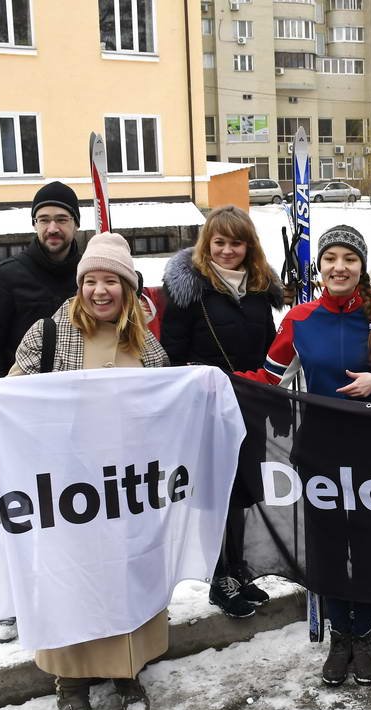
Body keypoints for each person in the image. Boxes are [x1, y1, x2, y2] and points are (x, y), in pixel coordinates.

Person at [9, 232, 171, 710]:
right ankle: (72, 683)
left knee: (124, 573)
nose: (101, 291)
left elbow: (167, 403)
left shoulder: (145, 343)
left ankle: (126, 672)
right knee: (70, 578)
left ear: (127, 287)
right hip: (67, 487)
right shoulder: (49, 333)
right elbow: (12, 395)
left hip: (126, 487)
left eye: (112, 281)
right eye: (92, 280)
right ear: (80, 285)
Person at [238, 225, 371, 687]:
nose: (339, 267)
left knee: (368, 548)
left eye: (349, 259)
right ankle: (339, 638)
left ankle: (365, 635)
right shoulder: (299, 320)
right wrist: (214, 378)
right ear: (319, 267)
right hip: (319, 453)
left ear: (361, 267)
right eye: (330, 258)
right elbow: (268, 378)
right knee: (328, 551)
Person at [0, 180, 83, 644]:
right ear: (34, 225)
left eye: (61, 219)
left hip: (83, 418)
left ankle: (78, 588)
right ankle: (17, 601)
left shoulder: (92, 272)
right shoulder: (6, 276)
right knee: (27, 510)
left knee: (79, 508)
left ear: (76, 225)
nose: (52, 228)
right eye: (43, 220)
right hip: (26, 417)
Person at [161, 205, 284, 618]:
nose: (227, 250)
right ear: (206, 244)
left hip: (249, 404)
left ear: (248, 246)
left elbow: (269, 347)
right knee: (219, 493)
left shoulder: (259, 287)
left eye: (236, 242)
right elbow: (172, 353)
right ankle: (219, 577)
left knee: (245, 489)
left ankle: (237, 568)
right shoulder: (189, 291)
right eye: (219, 242)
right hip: (207, 409)